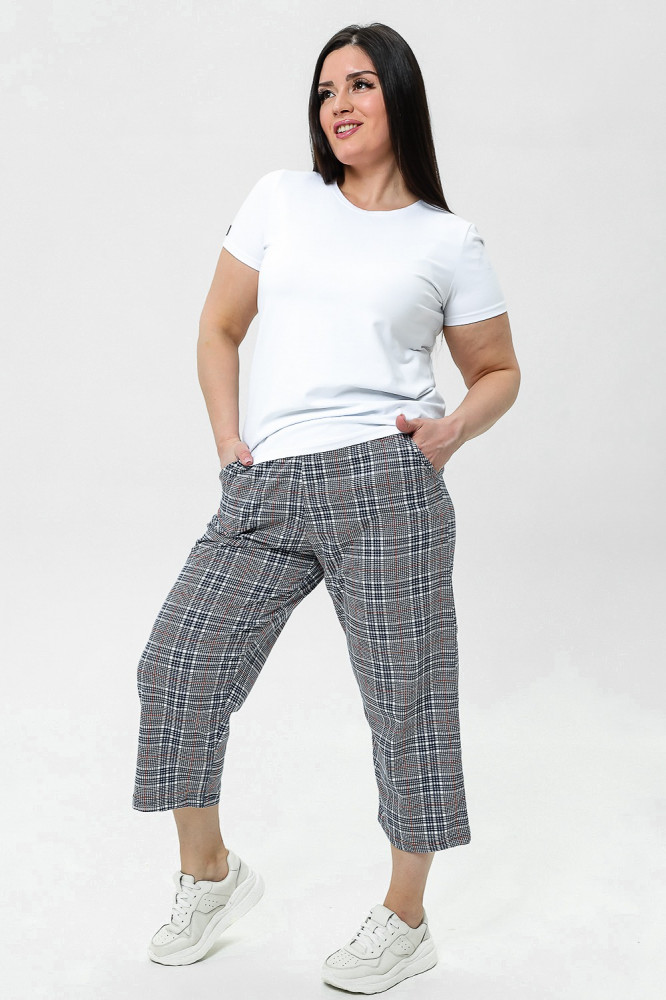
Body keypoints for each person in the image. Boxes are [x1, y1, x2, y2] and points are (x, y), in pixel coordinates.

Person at [131, 20, 520, 994]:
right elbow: (220, 327)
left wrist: (452, 430)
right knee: (177, 667)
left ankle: (406, 919)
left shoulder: (446, 239)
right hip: (268, 483)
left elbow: (499, 370)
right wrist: (229, 440)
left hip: (388, 483)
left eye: (359, 85)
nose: (338, 105)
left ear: (400, 97)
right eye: (324, 90)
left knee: (406, 704)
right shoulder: (281, 198)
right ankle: (210, 875)